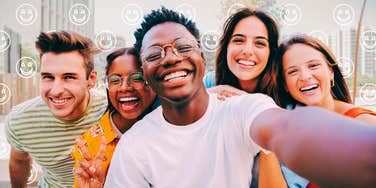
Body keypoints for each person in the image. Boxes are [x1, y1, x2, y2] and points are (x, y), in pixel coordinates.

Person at [104, 7, 376, 188]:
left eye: (183, 47)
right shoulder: (135, 146)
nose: (172, 57)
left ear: (201, 55)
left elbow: (287, 128)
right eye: (154, 54)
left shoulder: (253, 106)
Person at [4, 31, 108, 187]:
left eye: (69, 77)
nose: (56, 90)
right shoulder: (20, 120)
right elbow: (19, 160)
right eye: (48, 77)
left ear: (91, 79)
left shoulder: (111, 108)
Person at [271, 34, 376, 187]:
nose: (305, 76)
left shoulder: (364, 124)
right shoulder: (284, 128)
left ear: (331, 72)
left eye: (313, 65)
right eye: (293, 71)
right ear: (285, 85)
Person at [205, 7, 286, 187]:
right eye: (238, 40)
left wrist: (253, 107)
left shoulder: (286, 102)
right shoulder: (211, 84)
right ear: (226, 47)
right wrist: (204, 99)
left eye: (259, 43)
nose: (248, 50)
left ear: (271, 52)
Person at [71, 47, 157, 187]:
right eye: (115, 80)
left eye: (137, 78)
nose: (124, 87)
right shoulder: (91, 146)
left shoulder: (170, 127)